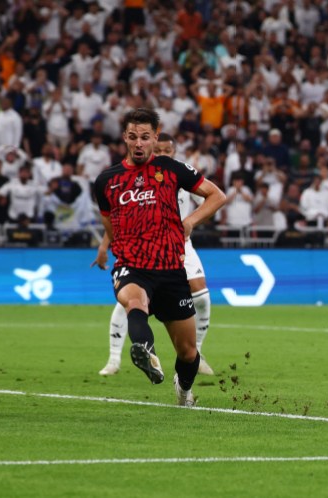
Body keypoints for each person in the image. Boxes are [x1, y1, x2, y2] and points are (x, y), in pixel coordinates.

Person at [91, 109, 225, 407]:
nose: (139, 143)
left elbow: (217, 195)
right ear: (125, 137)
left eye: (145, 137)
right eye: (133, 137)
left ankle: (184, 390)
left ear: (155, 136)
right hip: (132, 265)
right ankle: (145, 351)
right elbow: (110, 224)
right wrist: (109, 249)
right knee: (134, 302)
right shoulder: (106, 181)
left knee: (188, 352)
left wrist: (190, 221)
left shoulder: (172, 168)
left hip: (170, 268)